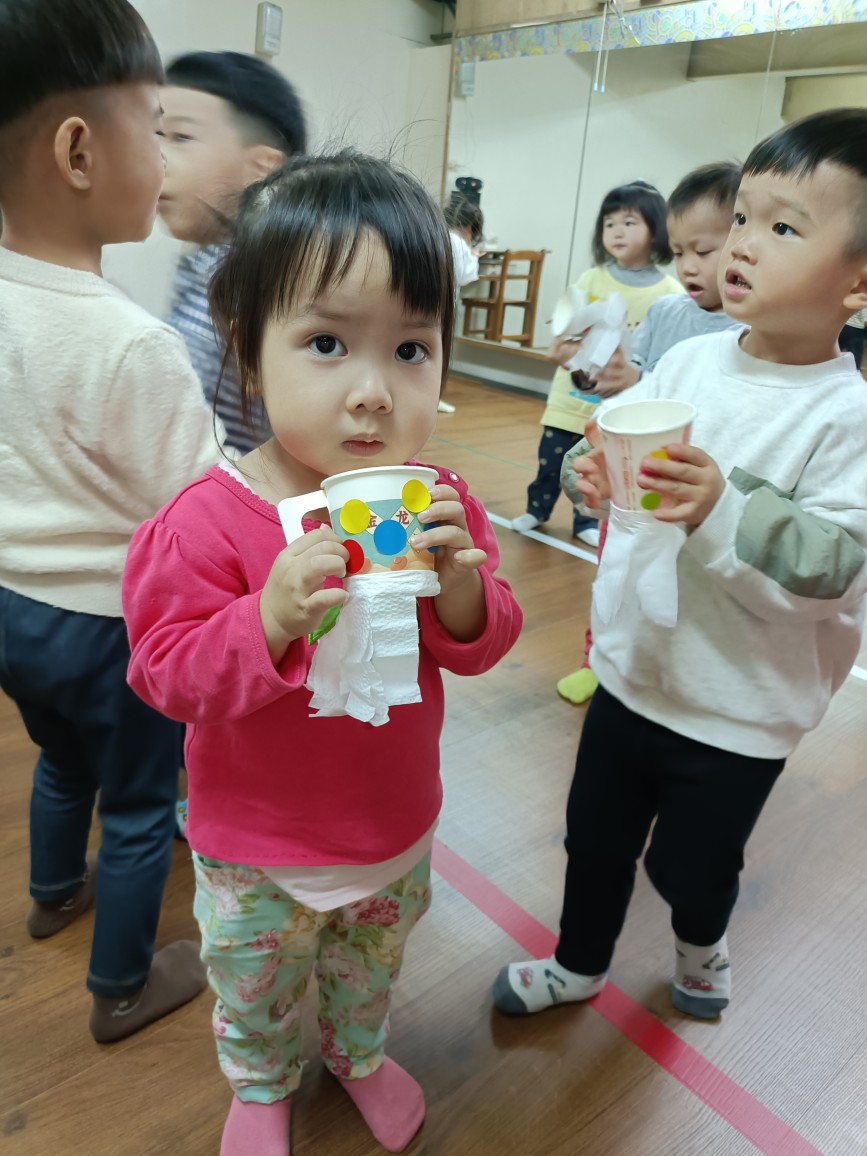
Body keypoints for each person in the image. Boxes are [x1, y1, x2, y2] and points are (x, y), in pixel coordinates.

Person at [123, 151, 523, 1156]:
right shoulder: (205, 520)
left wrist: (463, 590)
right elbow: (164, 673)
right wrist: (265, 618)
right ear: (249, 354)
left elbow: (485, 642)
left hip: (392, 827)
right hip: (254, 848)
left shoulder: (437, 502)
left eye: (411, 349)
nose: (373, 393)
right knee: (254, 984)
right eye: (328, 343)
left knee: (368, 970)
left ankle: (357, 1054)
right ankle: (261, 1084)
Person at [493, 108, 867, 1024]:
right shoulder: (693, 360)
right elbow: (616, 455)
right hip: (633, 673)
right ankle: (578, 963)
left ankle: (702, 946)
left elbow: (833, 570)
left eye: (783, 228)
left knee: (690, 867)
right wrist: (588, 475)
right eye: (742, 217)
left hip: (737, 708)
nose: (741, 244)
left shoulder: (843, 417)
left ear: (858, 282)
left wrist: (718, 506)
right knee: (593, 840)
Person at [0, 0, 224, 1041]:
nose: (165, 159)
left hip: (14, 611)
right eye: (157, 126)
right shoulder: (134, 346)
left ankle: (53, 894)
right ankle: (123, 987)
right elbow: (197, 501)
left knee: (60, 760)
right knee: (136, 804)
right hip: (108, 626)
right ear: (80, 151)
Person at [556, 162, 743, 706]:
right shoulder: (666, 311)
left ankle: (661, 670)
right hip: (631, 483)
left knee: (676, 589)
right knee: (613, 576)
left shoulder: (746, 332)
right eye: (680, 251)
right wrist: (604, 373)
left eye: (703, 251)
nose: (688, 266)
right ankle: (598, 660)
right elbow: (633, 380)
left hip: (689, 489)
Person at [510, 181, 682, 547]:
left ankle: (585, 520)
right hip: (569, 399)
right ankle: (537, 509)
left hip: (612, 409)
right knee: (550, 462)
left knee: (595, 467)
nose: (617, 231)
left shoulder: (670, 295)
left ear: (657, 231)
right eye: (609, 223)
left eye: (629, 223)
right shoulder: (593, 278)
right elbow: (569, 328)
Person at [159, 51, 307, 454]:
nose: (157, 158)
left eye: (181, 138)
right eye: (154, 135)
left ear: (262, 167)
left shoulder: (257, 280)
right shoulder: (203, 264)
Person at [439, 196, 485, 414]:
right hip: (444, 304)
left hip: (423, 300)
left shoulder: (437, 236)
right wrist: (474, 255)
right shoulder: (459, 243)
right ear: (470, 227)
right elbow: (466, 276)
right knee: (441, 349)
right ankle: (434, 396)